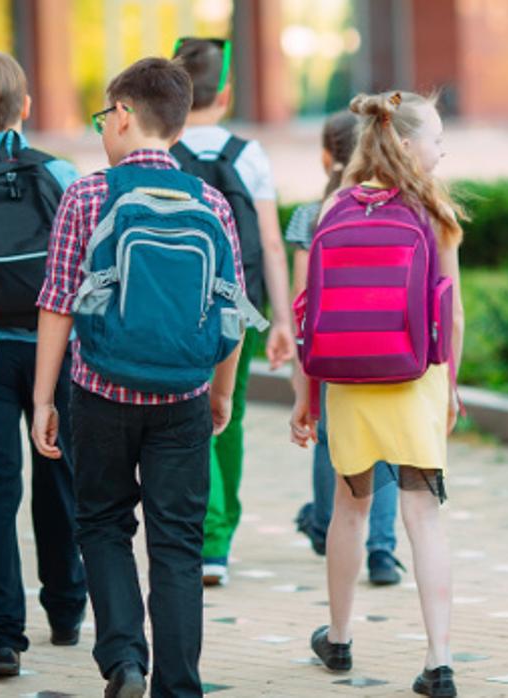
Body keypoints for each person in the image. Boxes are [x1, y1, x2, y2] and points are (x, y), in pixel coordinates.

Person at [30, 56, 247, 698]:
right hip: (183, 393)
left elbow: (57, 303)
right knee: (178, 544)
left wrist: (44, 398)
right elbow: (230, 307)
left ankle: (125, 660)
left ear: (123, 116)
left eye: (104, 115)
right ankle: (179, 685)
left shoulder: (88, 194)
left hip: (98, 391)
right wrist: (223, 392)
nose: (102, 127)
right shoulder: (208, 200)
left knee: (101, 523)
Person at [290, 91, 465, 698]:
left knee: (349, 509)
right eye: (437, 138)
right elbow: (454, 310)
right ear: (410, 144)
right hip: (415, 376)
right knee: (423, 516)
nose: (442, 148)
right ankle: (439, 660)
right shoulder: (433, 210)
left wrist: (306, 396)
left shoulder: (334, 205)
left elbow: (311, 306)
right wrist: (452, 386)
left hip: (348, 378)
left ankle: (338, 639)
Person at [0, 51, 87, 678]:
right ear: (26, 107)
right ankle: (65, 608)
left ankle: (2, 637)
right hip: (52, 349)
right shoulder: (60, 172)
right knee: (57, 478)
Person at [171, 37, 296, 587]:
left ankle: (203, 530)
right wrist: (284, 324)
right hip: (238, 309)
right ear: (224, 92)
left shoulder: (162, 149)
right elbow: (270, 243)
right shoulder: (248, 154)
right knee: (231, 413)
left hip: (175, 307)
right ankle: (219, 539)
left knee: (190, 412)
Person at [288, 111, 405, 585]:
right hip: (391, 344)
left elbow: (303, 304)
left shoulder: (312, 215)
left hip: (335, 348)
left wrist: (302, 377)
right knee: (389, 446)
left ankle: (326, 526)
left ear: (326, 156)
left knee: (330, 440)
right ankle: (382, 550)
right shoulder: (400, 208)